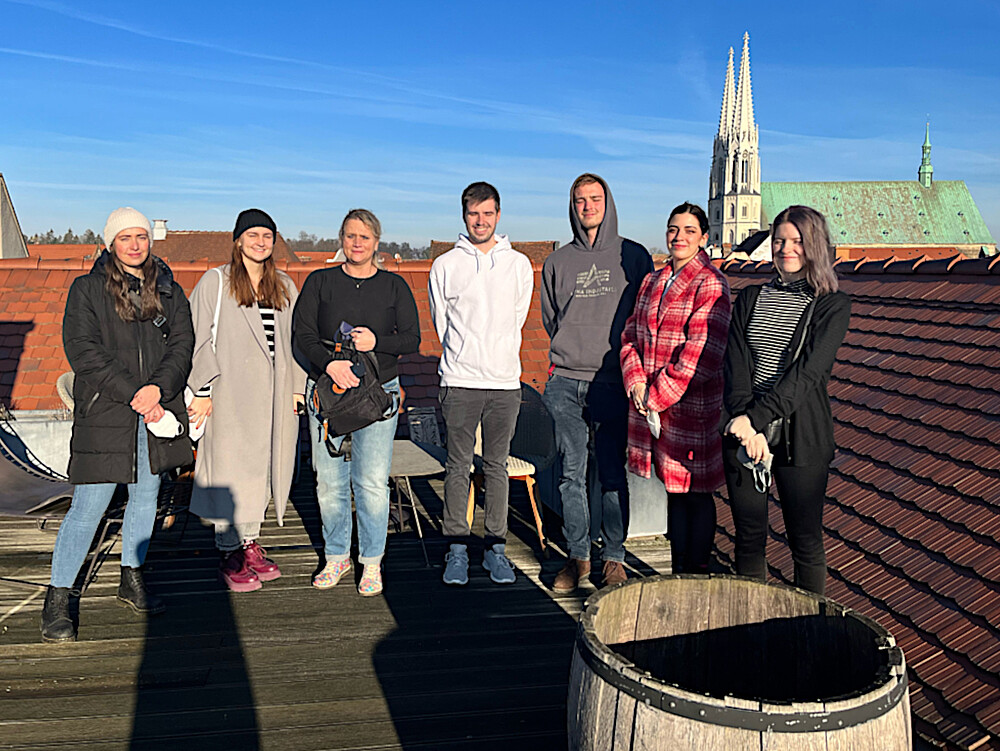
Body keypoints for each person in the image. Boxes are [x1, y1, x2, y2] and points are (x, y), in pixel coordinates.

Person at [41, 207, 194, 643]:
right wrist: (134, 392)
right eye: (125, 237)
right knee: (88, 508)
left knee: (146, 497)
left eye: (141, 236)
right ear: (111, 243)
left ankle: (132, 578)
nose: (134, 244)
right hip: (107, 412)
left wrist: (157, 390)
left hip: (156, 411)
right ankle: (57, 598)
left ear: (150, 240)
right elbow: (82, 350)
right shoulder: (87, 289)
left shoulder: (168, 289)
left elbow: (183, 344)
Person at [721, 205, 851, 595]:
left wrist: (756, 419)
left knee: (805, 542)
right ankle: (749, 629)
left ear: (814, 245)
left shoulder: (832, 305)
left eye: (796, 241)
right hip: (744, 430)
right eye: (779, 240)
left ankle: (807, 632)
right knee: (748, 539)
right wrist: (748, 425)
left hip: (802, 437)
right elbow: (736, 363)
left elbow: (807, 375)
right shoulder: (750, 297)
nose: (785, 248)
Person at [293, 209, 420, 596]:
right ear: (341, 239)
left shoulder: (394, 286)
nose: (357, 243)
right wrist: (330, 365)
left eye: (365, 237)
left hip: (377, 395)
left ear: (377, 242)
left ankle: (371, 562)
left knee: (371, 482)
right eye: (351, 236)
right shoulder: (320, 282)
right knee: (330, 482)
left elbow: (411, 340)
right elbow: (303, 335)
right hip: (329, 392)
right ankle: (336, 556)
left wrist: (376, 343)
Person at [541, 174, 653, 592]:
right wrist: (574, 348)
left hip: (613, 382)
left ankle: (615, 558)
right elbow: (551, 319)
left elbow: (645, 317)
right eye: (580, 200)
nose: (588, 206)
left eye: (595, 198)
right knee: (572, 473)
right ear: (572, 206)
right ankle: (578, 557)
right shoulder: (557, 262)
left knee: (611, 472)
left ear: (608, 202)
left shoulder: (635, 256)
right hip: (566, 382)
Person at [186, 209, 306, 592]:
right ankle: (229, 549)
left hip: (275, 394)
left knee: (263, 467)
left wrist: (297, 389)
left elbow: (296, 343)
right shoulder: (216, 282)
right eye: (252, 234)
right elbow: (198, 338)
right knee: (229, 468)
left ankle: (250, 542)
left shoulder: (284, 284)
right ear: (238, 239)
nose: (260, 241)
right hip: (229, 393)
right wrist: (203, 391)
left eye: (267, 235)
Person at [429, 182, 533, 586]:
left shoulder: (519, 265)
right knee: (457, 466)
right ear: (463, 216)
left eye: (488, 213)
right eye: (474, 214)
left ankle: (495, 551)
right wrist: (466, 355)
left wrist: (495, 355)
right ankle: (456, 550)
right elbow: (443, 324)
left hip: (505, 383)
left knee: (496, 468)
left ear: (498, 215)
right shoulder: (445, 265)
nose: (481, 220)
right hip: (459, 381)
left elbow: (517, 319)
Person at [620, 203, 731, 574]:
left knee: (696, 495)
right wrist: (635, 383)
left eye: (688, 230)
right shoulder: (653, 280)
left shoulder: (711, 283)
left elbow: (702, 356)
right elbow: (630, 336)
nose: (679, 237)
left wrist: (653, 397)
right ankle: (677, 571)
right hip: (653, 407)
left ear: (703, 237)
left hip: (689, 411)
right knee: (673, 494)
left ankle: (694, 574)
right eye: (673, 229)